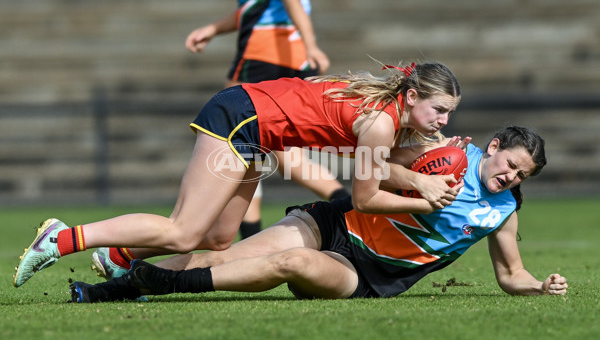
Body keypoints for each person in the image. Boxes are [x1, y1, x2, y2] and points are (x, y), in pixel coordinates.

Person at [14, 61, 463, 288]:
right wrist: (423, 191)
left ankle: (119, 257)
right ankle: (60, 238)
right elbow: (365, 196)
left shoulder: (385, 114)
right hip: (240, 119)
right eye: (438, 110)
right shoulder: (382, 122)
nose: (443, 120)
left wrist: (433, 157)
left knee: (219, 237)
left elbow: (379, 162)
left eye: (448, 114)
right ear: (411, 94)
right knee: (183, 231)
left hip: (255, 130)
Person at [69, 127, 568, 302]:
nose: (511, 178)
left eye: (522, 176)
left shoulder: (504, 211)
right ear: (495, 146)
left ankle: (164, 283)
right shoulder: (446, 151)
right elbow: (372, 167)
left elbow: (510, 273)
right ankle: (109, 290)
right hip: (338, 221)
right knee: (219, 258)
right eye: (511, 165)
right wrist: (416, 177)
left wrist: (538, 286)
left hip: (368, 272)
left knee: (297, 266)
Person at [186, 0, 347, 240]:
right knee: (283, 154)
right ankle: (346, 205)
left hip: (262, 51)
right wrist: (214, 29)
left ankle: (246, 237)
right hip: (292, 57)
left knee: (238, 143)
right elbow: (255, 6)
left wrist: (312, 45)